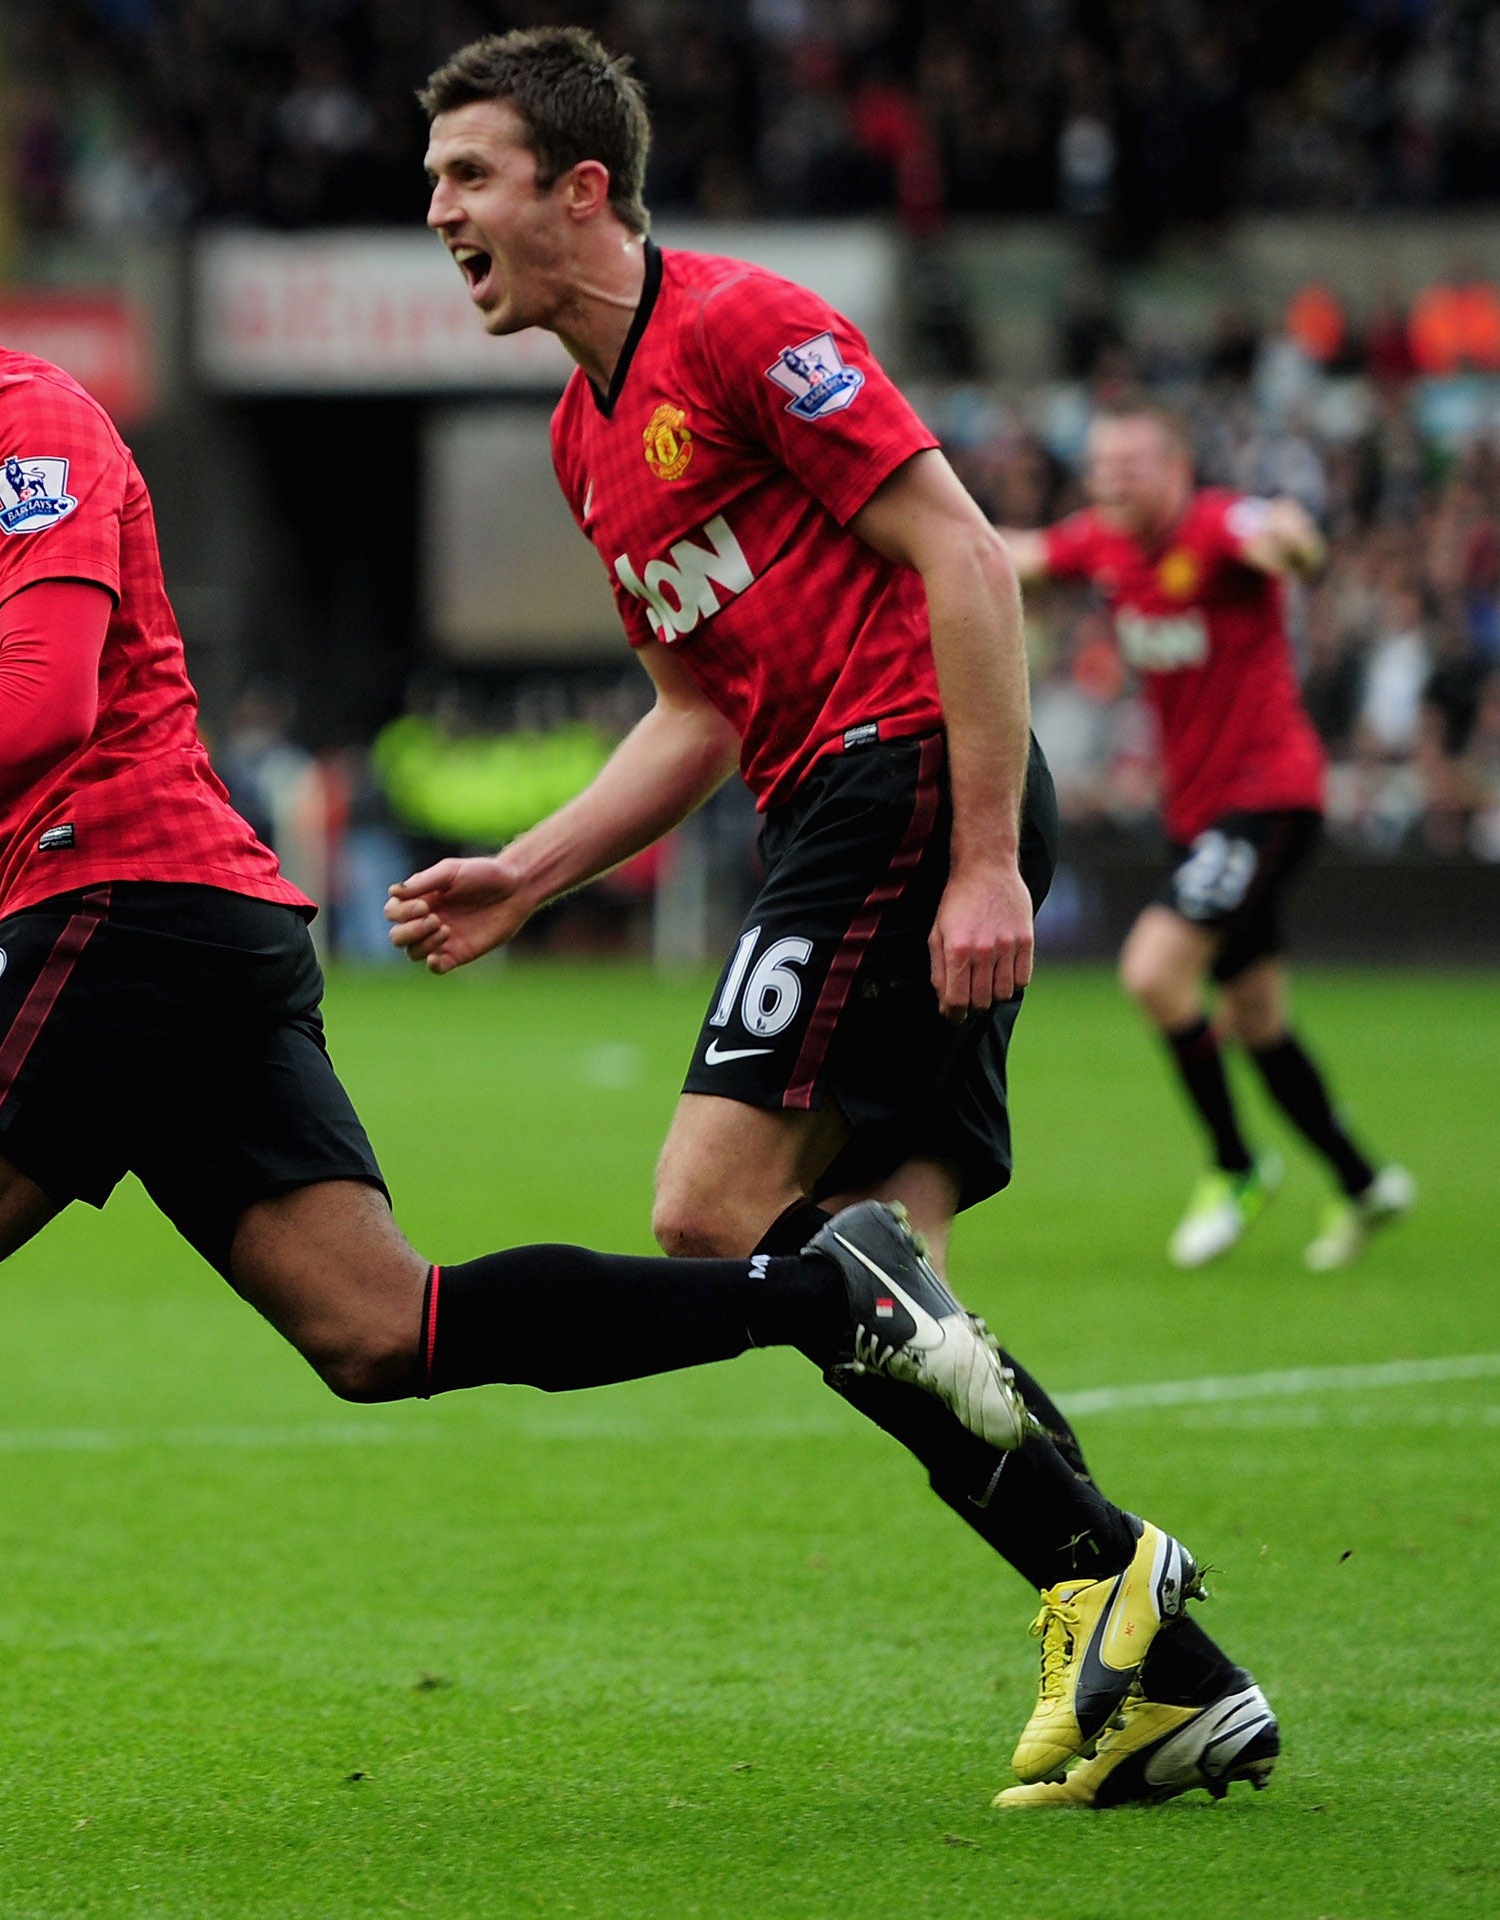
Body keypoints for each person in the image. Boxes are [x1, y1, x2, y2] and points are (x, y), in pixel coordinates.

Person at [0, 149, 1042, 1844]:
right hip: (186, 929)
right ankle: (822, 1299)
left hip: (127, 890)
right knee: (380, 1332)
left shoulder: (29, 424)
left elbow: (42, 697)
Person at [386, 28, 1277, 1810]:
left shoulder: (738, 326)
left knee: (712, 1210)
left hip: (897, 783)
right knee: (893, 1287)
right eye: (433, 186)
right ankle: (1167, 1666)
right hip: (834, 796)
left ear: (582, 190)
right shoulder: (582, 434)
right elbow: (697, 715)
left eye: (470, 177)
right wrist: (532, 869)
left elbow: (960, 554)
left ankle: (1119, 1588)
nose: (441, 214)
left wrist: (983, 858)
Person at [1003, 405, 1414, 1270]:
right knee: (1259, 1018)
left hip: (1267, 798)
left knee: (1154, 970)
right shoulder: (1103, 545)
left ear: (1177, 467)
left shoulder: (1217, 524)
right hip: (1199, 816)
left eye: (1133, 461)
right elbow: (1017, 554)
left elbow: (1284, 536)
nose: (1112, 475)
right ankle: (1363, 1181)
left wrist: (1295, 542)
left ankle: (1235, 1166)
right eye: (1102, 461)